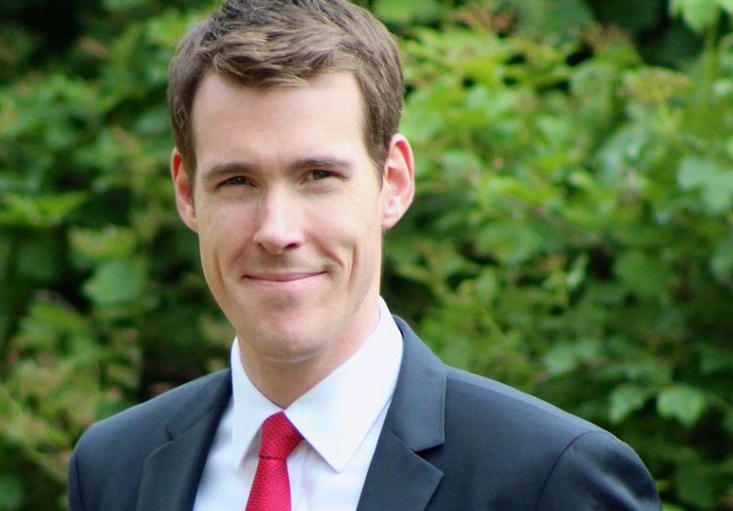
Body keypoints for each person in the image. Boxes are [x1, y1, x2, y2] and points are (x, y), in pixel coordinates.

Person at [67, 0, 661, 509]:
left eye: (318, 175)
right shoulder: (114, 469)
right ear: (185, 193)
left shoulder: (550, 478)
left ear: (394, 182)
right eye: (237, 182)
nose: (277, 230)